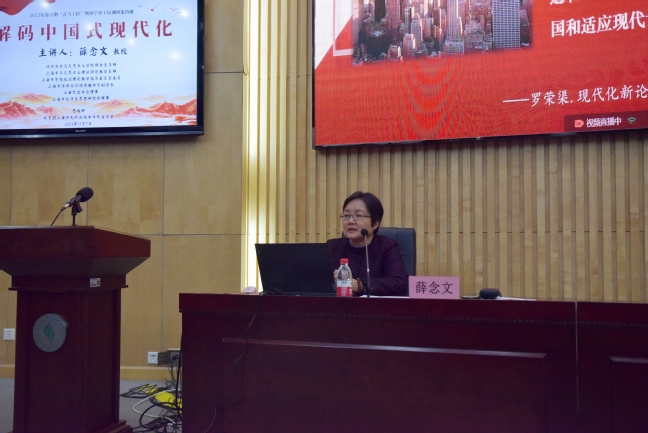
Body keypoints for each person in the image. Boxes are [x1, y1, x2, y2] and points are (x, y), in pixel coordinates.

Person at [328, 191, 408, 296]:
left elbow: (399, 283)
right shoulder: (332, 247)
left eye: (358, 215)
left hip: (375, 306)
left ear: (375, 224)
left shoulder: (386, 247)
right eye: (346, 215)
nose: (350, 221)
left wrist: (358, 285)